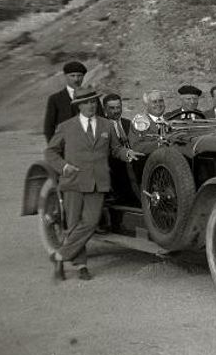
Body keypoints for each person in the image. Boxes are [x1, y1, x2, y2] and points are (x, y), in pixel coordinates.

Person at [44, 89, 142, 281]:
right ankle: (81, 266)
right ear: (78, 105)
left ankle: (59, 256)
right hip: (74, 181)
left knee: (90, 222)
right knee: (72, 225)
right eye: (86, 103)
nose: (91, 106)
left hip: (98, 182)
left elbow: (115, 149)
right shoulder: (66, 127)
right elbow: (50, 152)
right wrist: (63, 167)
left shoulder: (106, 125)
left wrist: (127, 154)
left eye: (93, 102)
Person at [43, 61, 87, 141]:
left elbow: (101, 121)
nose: (76, 79)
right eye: (72, 76)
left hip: (88, 146)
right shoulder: (55, 99)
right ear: (65, 76)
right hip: (64, 146)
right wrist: (54, 148)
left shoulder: (92, 96)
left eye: (79, 76)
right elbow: (49, 127)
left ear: (83, 77)